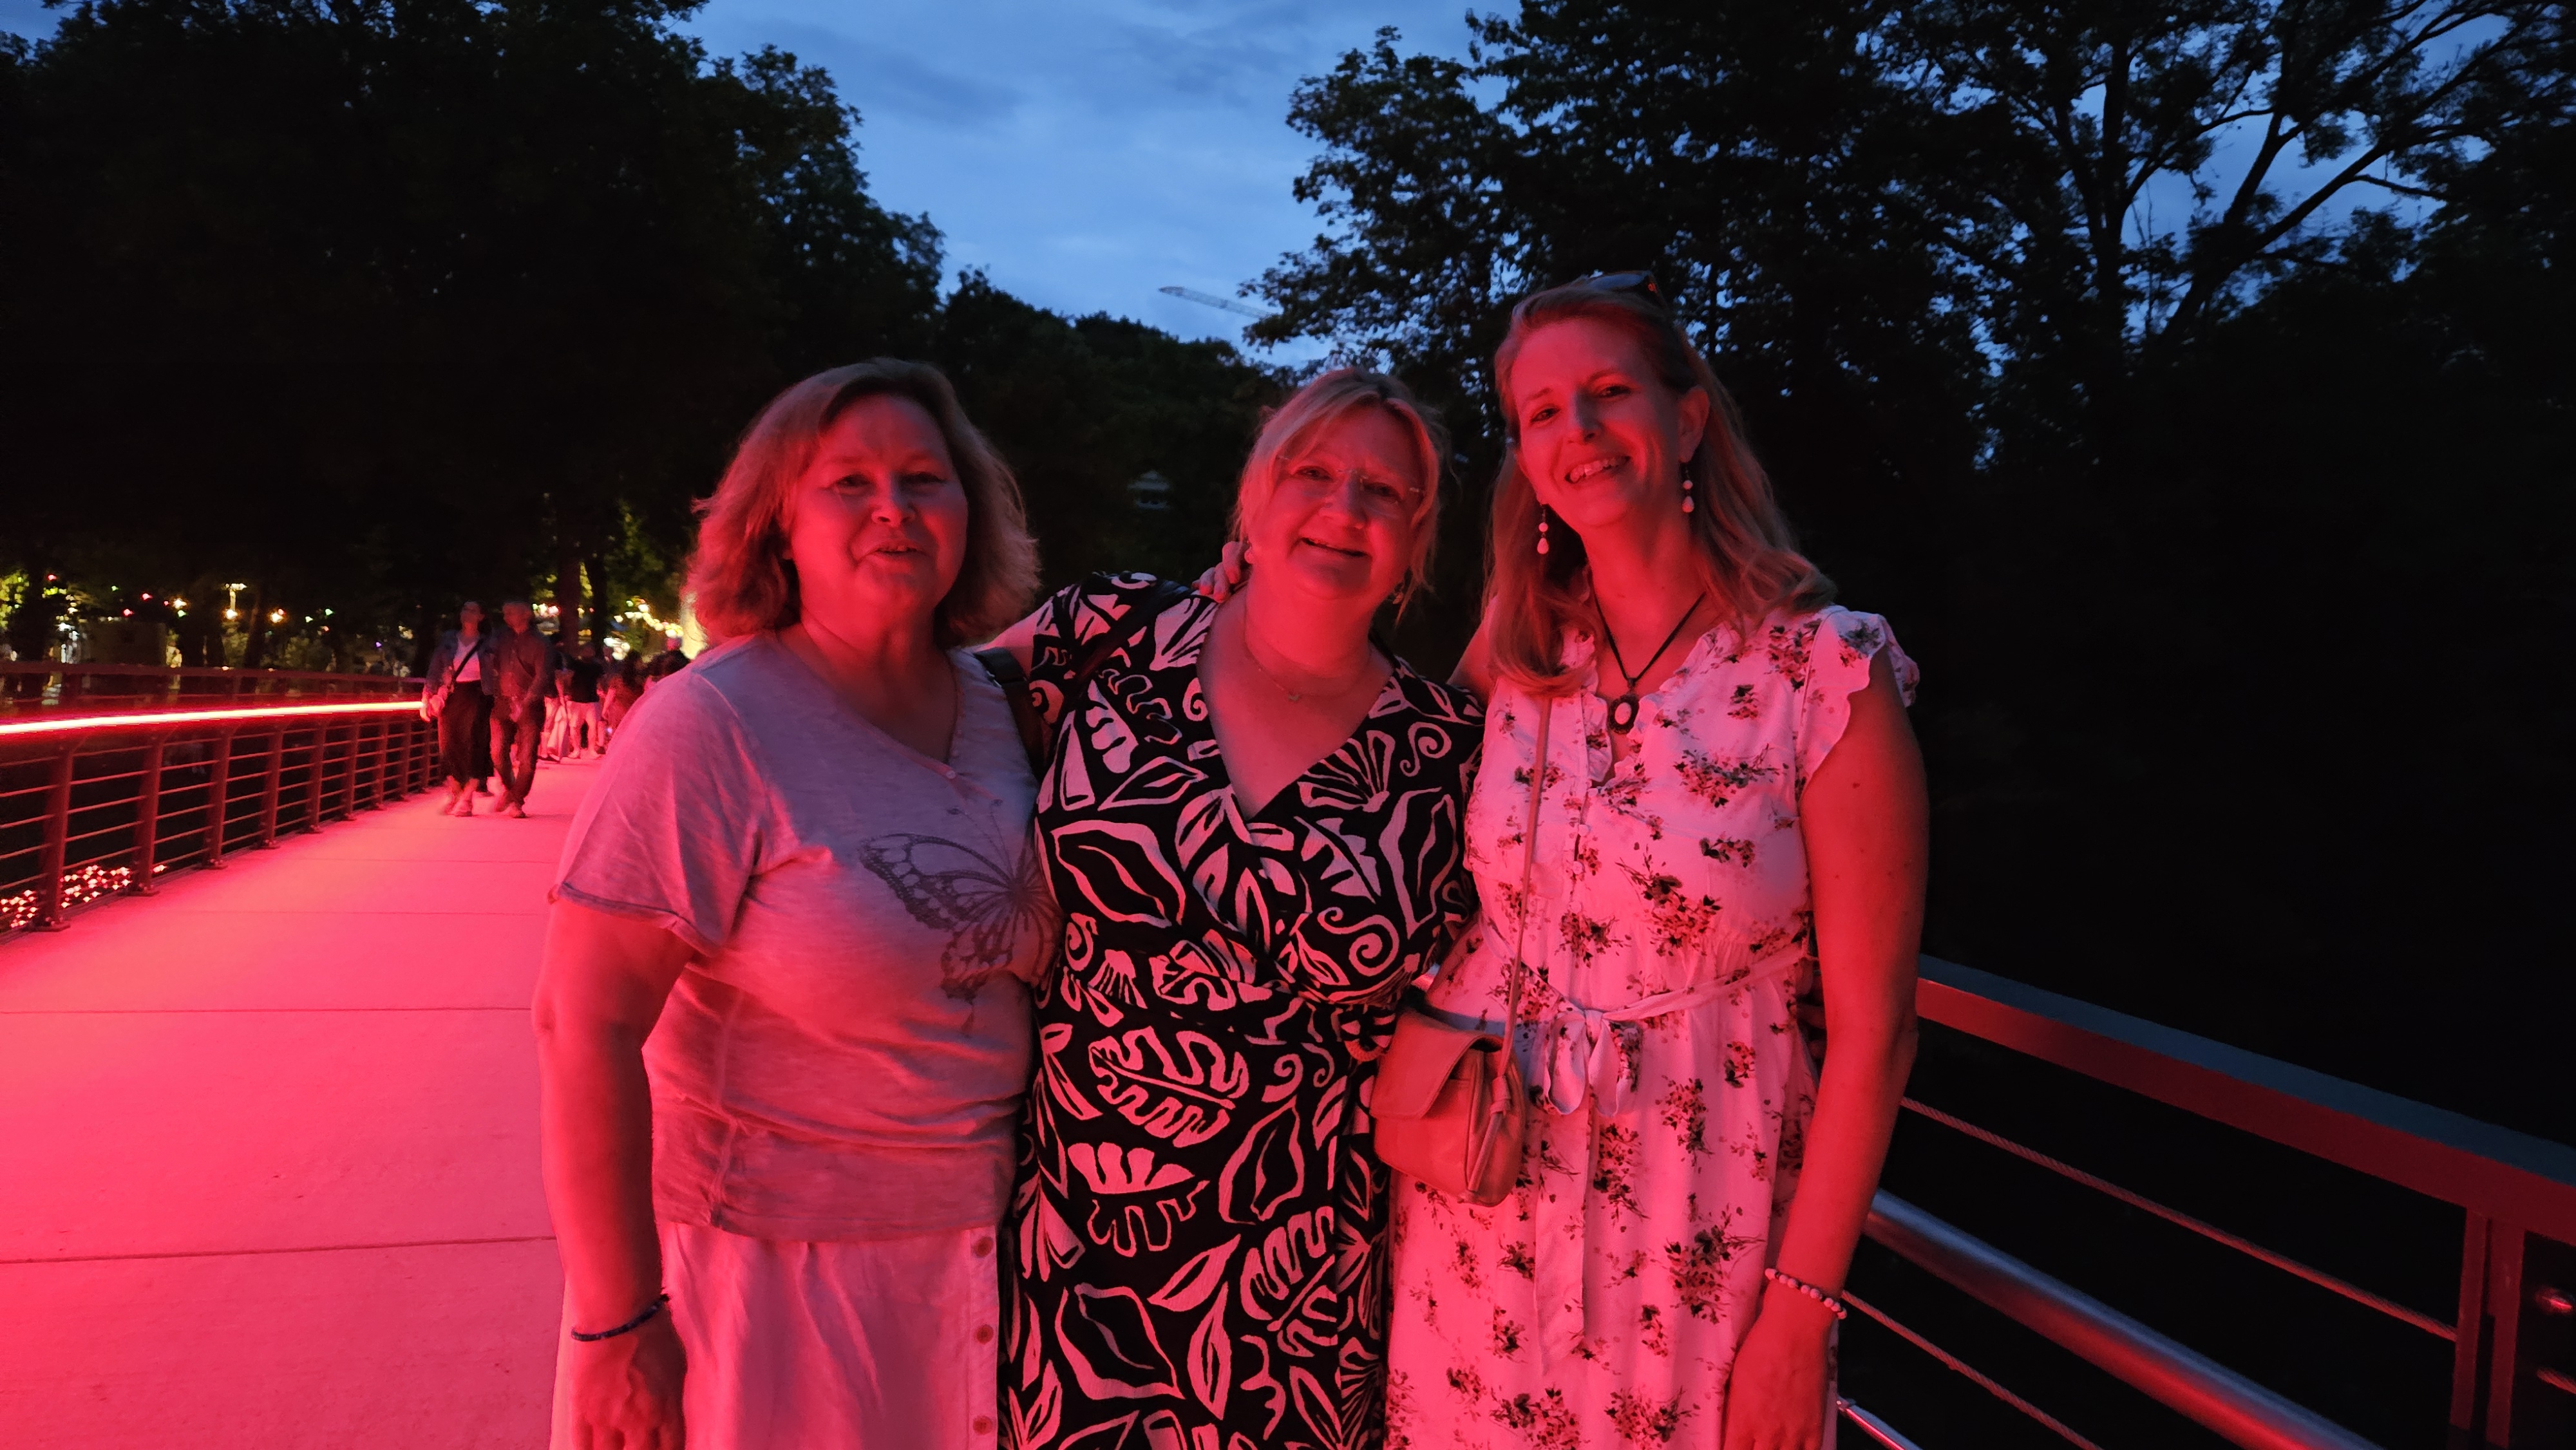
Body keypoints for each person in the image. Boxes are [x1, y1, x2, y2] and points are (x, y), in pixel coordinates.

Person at [1386, 275, 1926, 1450]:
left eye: (1609, 392)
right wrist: (1230, 609)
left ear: (1686, 421)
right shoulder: (1522, 650)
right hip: (1485, 1203)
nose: (1576, 429)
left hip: (1700, 1226)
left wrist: (1801, 1317)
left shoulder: (1821, 673)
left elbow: (1877, 1030)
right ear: (1527, 462)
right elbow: (1372, 769)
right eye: (1541, 412)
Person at [533, 359, 1047, 1449]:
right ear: (779, 524)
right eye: (849, 482)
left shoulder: (1008, 709)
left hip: (980, 1260)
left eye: (924, 478)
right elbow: (583, 1021)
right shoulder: (714, 723)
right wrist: (617, 1322)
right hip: (766, 1276)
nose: (893, 506)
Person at [987, 370, 1483, 1450]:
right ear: (1253, 500)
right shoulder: (1112, 633)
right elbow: (907, 719)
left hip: (1293, 1305)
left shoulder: (1450, 752)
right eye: (1312, 472)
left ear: (1416, 539)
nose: (1344, 506)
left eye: (1384, 491)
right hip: (1072, 1263)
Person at [422, 601, 494, 816]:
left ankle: (467, 797)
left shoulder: (489, 642)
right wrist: (427, 697)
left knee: (473, 743)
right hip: (452, 694)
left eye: (473, 610)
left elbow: (499, 669)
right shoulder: (448, 639)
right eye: (464, 609)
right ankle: (455, 791)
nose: (467, 614)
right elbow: (435, 668)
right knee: (447, 744)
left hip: (478, 695)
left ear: (481, 616)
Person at [486, 599, 556, 818]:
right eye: (505, 613)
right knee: (497, 752)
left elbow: (543, 675)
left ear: (526, 615)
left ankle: (516, 799)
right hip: (502, 702)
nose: (506, 617)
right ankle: (512, 790)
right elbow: (488, 662)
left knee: (527, 756)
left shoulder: (541, 642)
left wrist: (527, 700)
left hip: (529, 705)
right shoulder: (500, 638)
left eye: (511, 612)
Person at [558, 641, 606, 759]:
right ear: (582, 652)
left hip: (592, 700)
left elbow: (602, 680)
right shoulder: (575, 664)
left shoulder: (597, 666)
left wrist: (603, 690)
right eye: (586, 650)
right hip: (575, 700)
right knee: (574, 726)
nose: (588, 653)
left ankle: (591, 749)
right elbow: (567, 678)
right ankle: (576, 749)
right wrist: (567, 692)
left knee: (593, 726)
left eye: (590, 650)